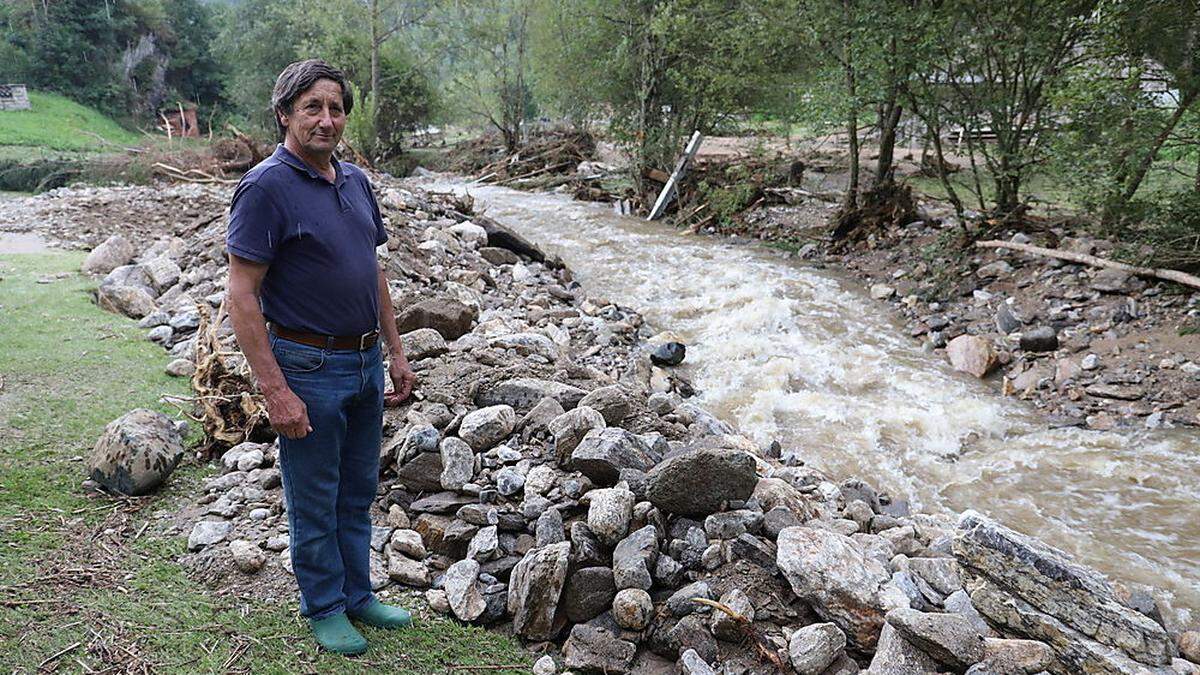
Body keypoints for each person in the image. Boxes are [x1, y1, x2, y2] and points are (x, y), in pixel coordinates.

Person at [224, 59, 416, 656]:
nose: (327, 119)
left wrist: (396, 349)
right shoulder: (264, 187)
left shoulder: (355, 181)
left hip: (364, 363)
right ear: (284, 115)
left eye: (335, 108)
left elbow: (373, 271)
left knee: (358, 490)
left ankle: (358, 594)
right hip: (307, 365)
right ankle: (326, 606)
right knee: (314, 495)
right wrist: (274, 390)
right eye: (313, 107)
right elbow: (241, 295)